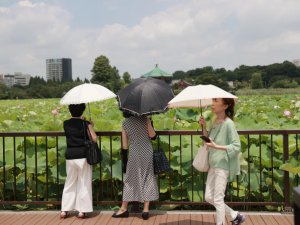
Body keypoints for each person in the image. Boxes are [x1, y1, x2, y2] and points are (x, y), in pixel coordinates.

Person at [199, 98, 245, 225]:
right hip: (213, 164)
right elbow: (207, 141)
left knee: (218, 199)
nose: (212, 104)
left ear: (225, 106)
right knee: (209, 197)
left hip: (223, 165)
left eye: (216, 101)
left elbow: (236, 146)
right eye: (213, 100)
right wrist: (203, 126)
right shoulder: (215, 122)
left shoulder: (228, 123)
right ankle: (235, 215)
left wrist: (217, 147)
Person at [112, 112, 159, 220]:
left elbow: (124, 145)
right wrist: (150, 123)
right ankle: (146, 209)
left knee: (130, 179)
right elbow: (153, 136)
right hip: (147, 151)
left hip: (134, 152)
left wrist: (124, 160)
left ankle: (124, 208)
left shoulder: (125, 123)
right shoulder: (145, 120)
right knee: (148, 177)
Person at [60, 103, 97, 219]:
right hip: (83, 155)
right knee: (84, 182)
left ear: (70, 110)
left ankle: (64, 210)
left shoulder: (65, 124)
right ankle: (82, 211)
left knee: (69, 182)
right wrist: (91, 126)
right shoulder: (85, 124)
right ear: (83, 111)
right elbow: (94, 139)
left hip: (70, 155)